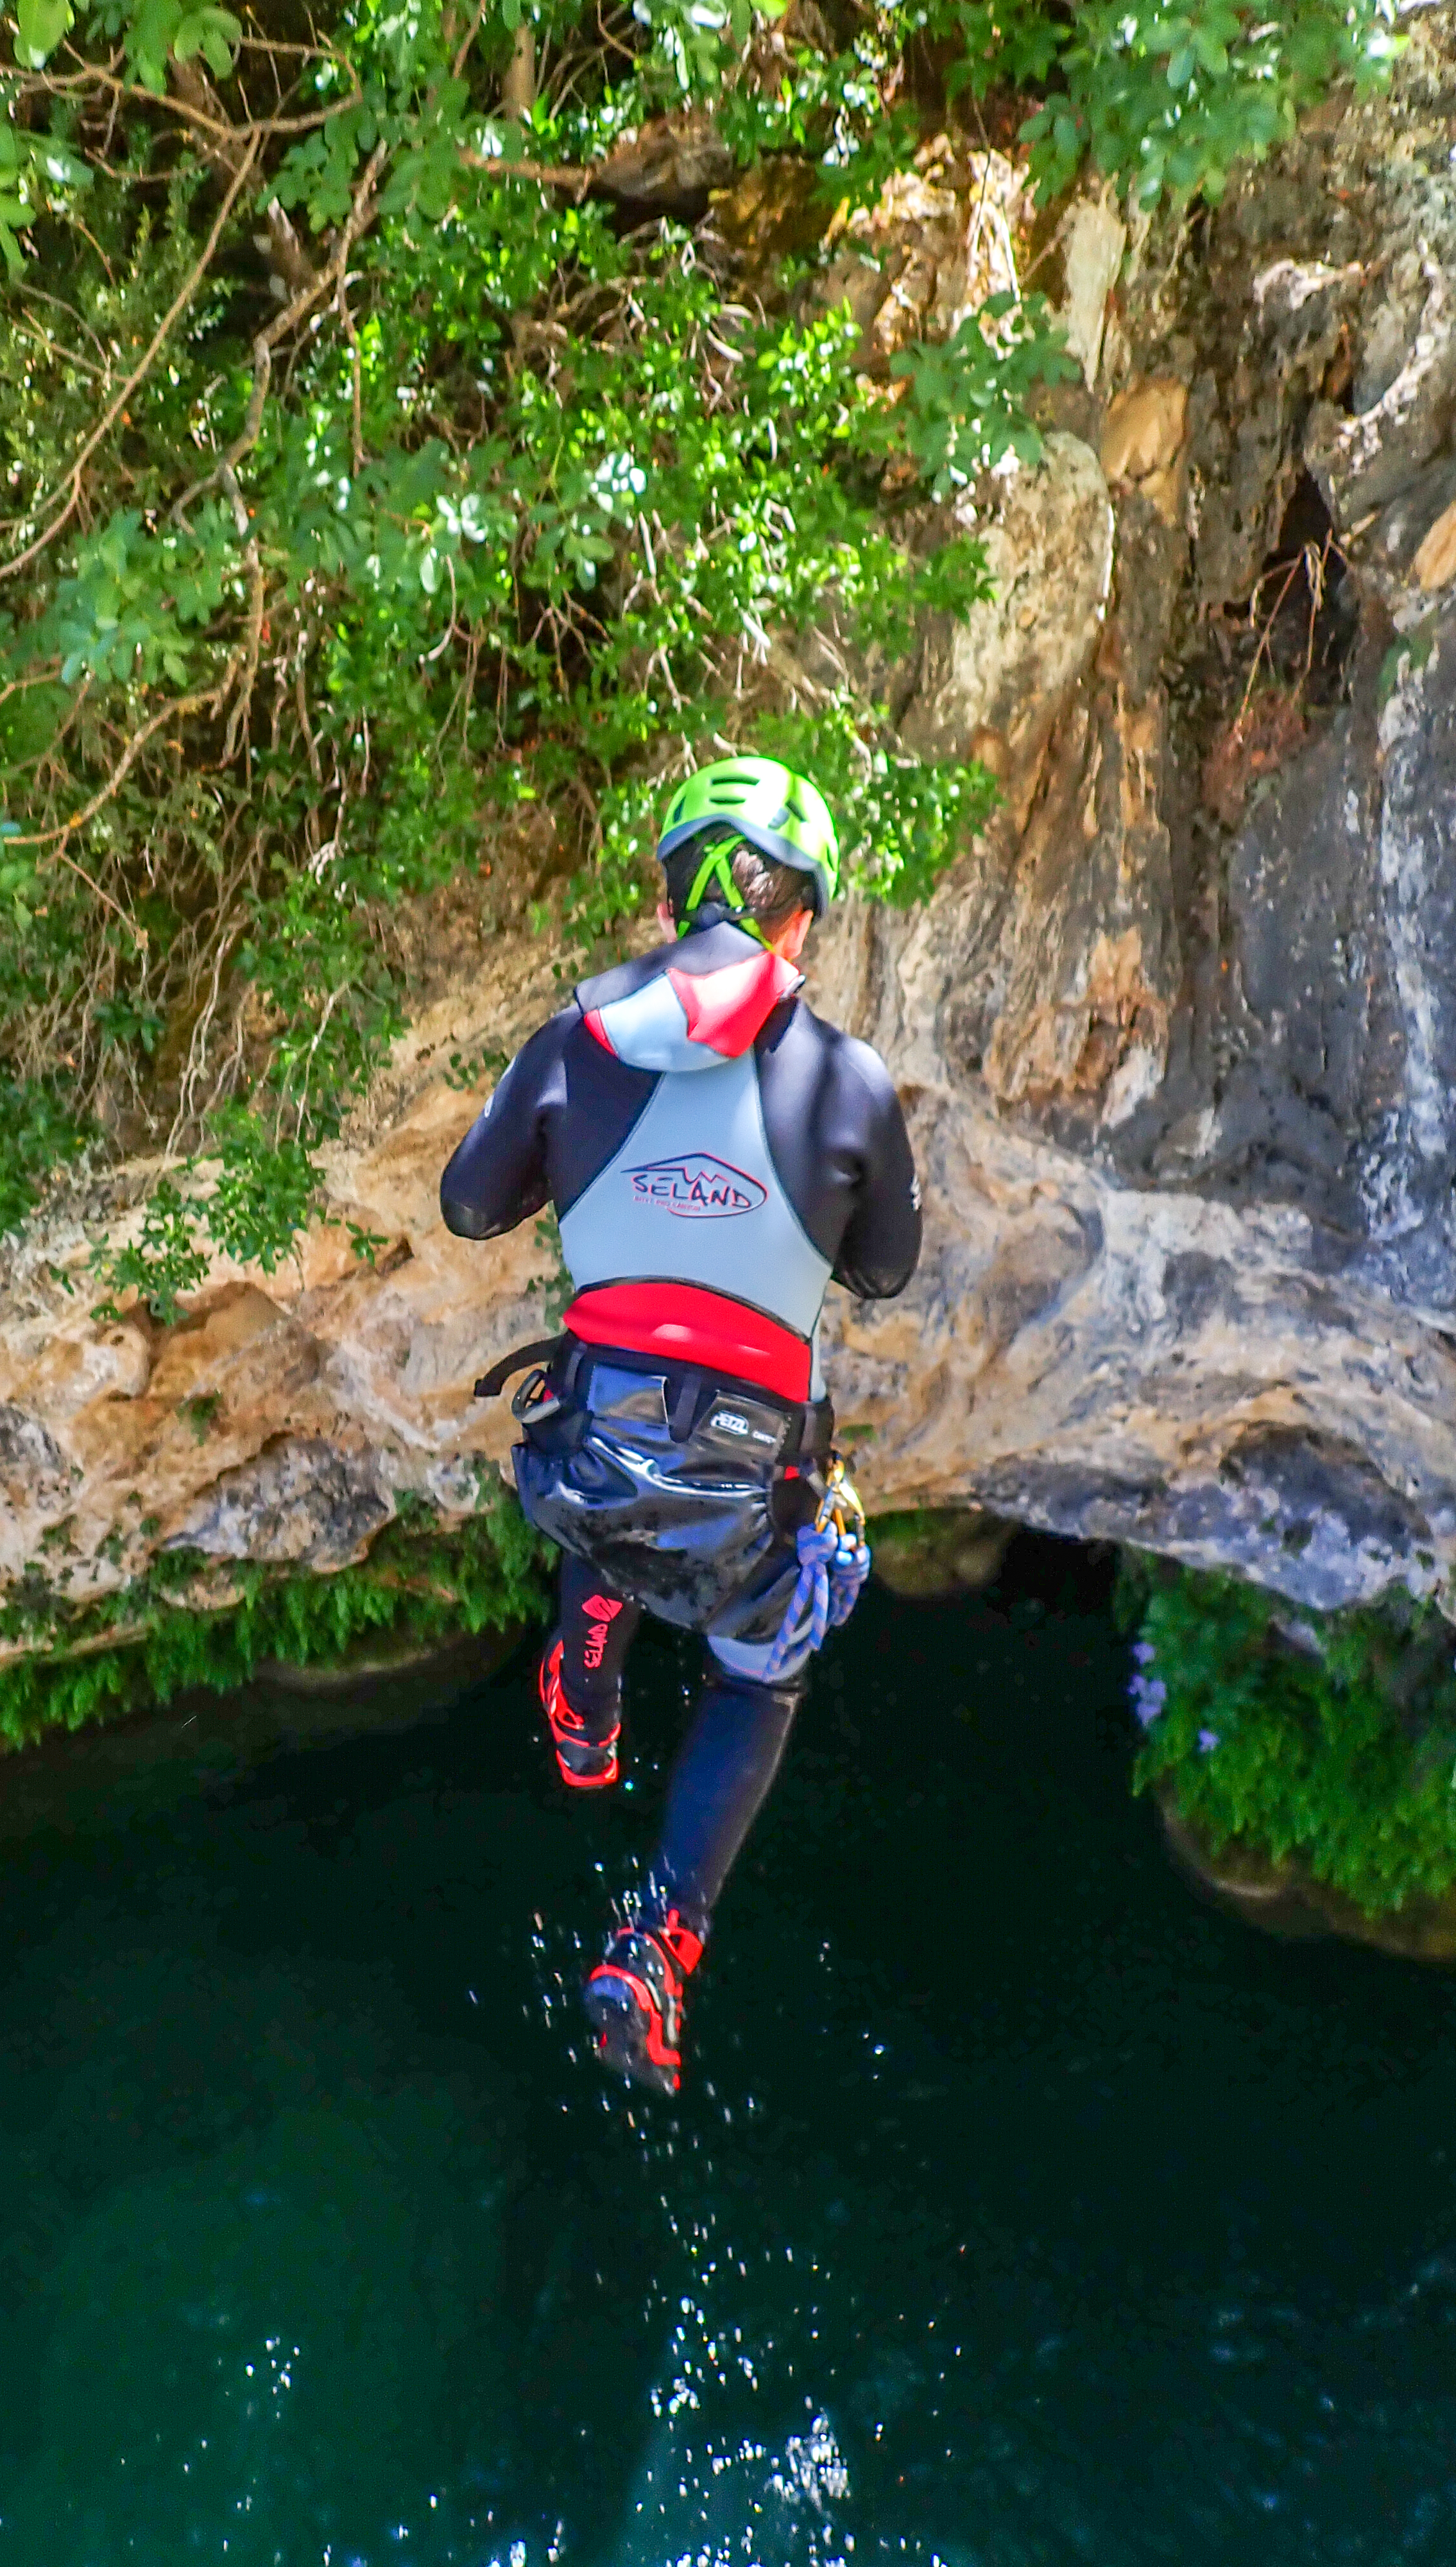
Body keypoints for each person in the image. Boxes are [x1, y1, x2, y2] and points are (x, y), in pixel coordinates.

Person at [440, 756, 922, 2095]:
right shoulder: (849, 1076)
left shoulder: (576, 1035)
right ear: (799, 919)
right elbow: (885, 1267)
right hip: (745, 1497)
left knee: (616, 1470)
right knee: (762, 1659)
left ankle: (585, 1679)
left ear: (668, 892)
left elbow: (471, 1205)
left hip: (590, 1454)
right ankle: (658, 1939)